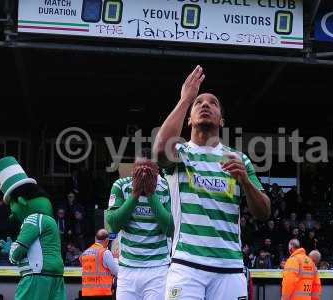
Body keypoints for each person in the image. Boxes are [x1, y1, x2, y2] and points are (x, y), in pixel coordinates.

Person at [154, 65, 270, 299]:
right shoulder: (181, 153)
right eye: (199, 103)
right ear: (189, 120)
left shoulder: (239, 159)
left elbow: (264, 212)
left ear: (222, 120)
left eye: (213, 103)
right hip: (187, 265)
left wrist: (246, 182)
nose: (205, 104)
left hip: (229, 268)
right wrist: (186, 99)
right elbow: (159, 151)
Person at [106, 157, 173, 300]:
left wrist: (151, 194)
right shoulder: (121, 185)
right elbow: (114, 225)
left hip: (157, 268)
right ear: (132, 172)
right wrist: (135, 194)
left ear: (157, 172)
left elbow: (170, 229)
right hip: (127, 268)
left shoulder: (167, 187)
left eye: (148, 173)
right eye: (139, 172)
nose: (143, 176)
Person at [0, 156, 65, 300]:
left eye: (11, 205)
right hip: (56, 277)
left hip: (36, 277)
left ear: (21, 201)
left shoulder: (33, 219)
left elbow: (17, 253)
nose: (11, 213)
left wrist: (12, 249)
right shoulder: (51, 221)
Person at [80, 229, 118, 299]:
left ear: (95, 238)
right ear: (107, 240)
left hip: (86, 293)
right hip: (102, 293)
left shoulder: (84, 253)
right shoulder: (105, 252)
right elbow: (116, 272)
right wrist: (115, 259)